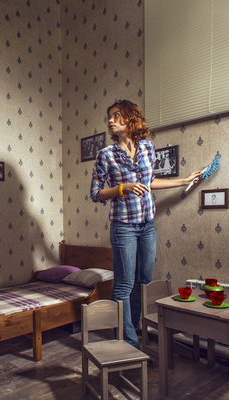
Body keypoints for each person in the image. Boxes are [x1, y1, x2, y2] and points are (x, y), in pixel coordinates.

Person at [90, 99, 202, 349]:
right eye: (109, 116)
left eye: (116, 115)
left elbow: (149, 182)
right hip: (123, 227)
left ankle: (128, 332)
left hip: (147, 225)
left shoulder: (147, 148)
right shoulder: (106, 155)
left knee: (143, 281)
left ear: (130, 118)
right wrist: (122, 188)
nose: (110, 120)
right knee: (124, 284)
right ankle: (129, 343)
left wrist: (183, 181)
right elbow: (95, 193)